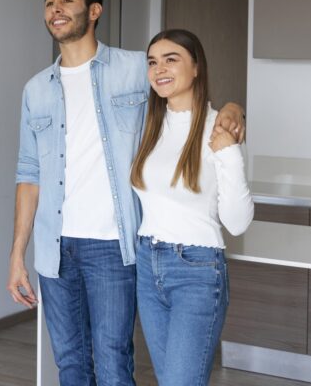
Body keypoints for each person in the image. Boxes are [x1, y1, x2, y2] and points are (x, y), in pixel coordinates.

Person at [7, 0, 245, 385]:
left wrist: (233, 110)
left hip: (113, 247)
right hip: (53, 246)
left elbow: (188, 92)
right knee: (71, 364)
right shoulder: (35, 90)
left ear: (94, 10)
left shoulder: (136, 68)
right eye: (49, 2)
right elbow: (29, 174)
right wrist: (17, 254)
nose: (56, 9)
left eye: (67, 0)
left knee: (114, 363)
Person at [131, 29, 253, 385]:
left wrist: (229, 152)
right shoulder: (147, 125)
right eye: (152, 62)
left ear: (196, 67)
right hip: (147, 265)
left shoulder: (219, 128)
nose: (159, 69)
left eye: (172, 59)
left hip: (196, 272)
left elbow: (238, 223)